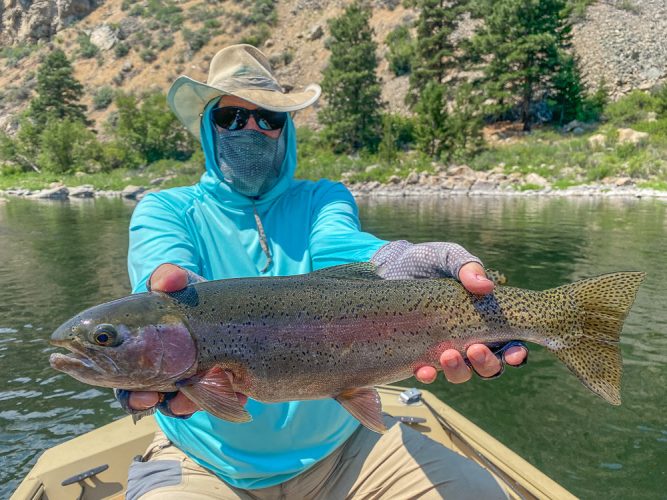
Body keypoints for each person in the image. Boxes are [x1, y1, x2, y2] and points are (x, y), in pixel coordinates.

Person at [119, 44, 528, 499]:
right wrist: (145, 367)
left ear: (286, 131)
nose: (250, 128)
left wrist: (399, 262)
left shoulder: (323, 199)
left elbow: (344, 251)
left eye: (267, 119)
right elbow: (160, 282)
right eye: (231, 118)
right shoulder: (166, 209)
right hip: (206, 461)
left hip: (347, 445)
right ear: (207, 129)